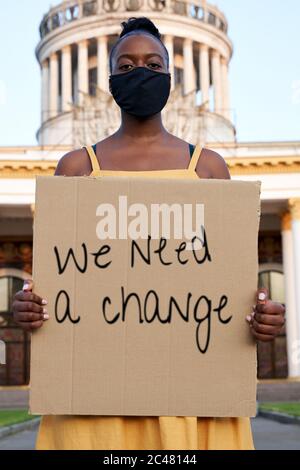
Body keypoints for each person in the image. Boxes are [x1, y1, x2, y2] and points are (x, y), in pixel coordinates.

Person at [12, 17, 285, 450]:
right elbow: (57, 291)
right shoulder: (75, 168)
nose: (140, 73)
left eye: (153, 64)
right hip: (92, 410)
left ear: (171, 77)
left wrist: (261, 318)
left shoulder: (210, 168)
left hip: (192, 408)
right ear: (110, 79)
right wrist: (31, 307)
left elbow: (229, 296)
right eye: (126, 66)